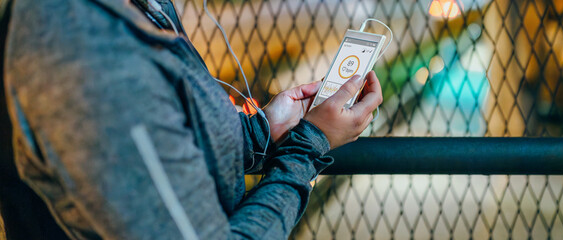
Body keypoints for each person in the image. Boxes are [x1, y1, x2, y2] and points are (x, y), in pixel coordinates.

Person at [2, 0, 382, 239]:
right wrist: (309, 147)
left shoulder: (139, 9)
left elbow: (172, 132)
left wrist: (260, 132)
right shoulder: (92, 57)